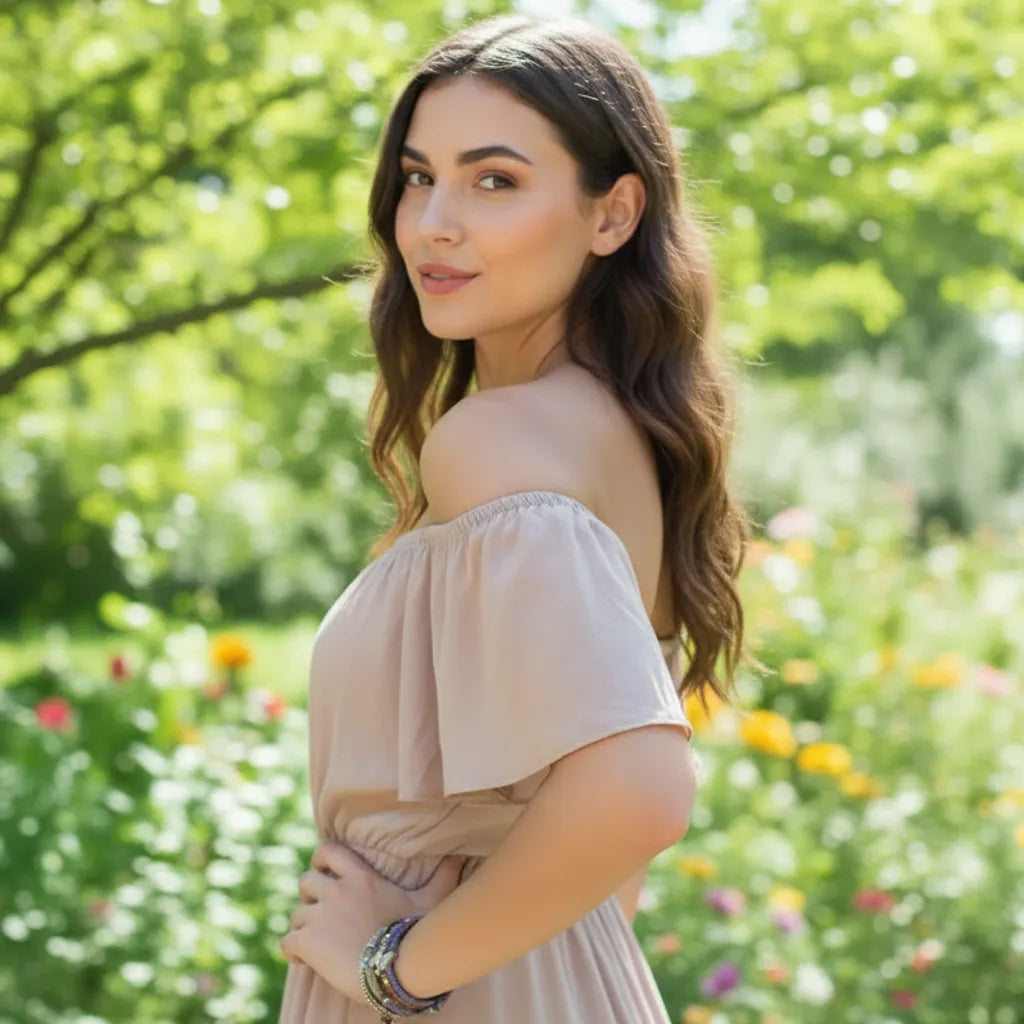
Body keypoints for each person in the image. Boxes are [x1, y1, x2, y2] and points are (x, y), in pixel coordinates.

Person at [277, 12, 752, 1023]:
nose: (433, 224)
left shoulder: (499, 440)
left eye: (494, 180)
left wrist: (395, 967)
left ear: (612, 214)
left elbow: (637, 788)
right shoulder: (620, 438)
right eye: (417, 176)